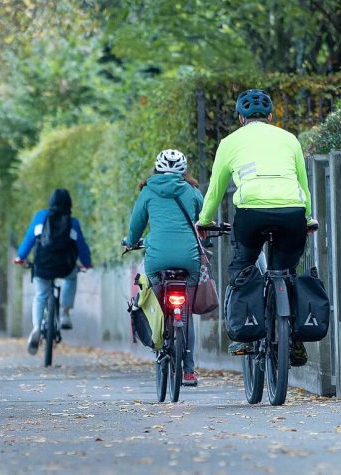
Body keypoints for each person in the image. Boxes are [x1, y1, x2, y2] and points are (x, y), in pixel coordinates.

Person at [196, 89, 316, 360]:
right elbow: (303, 185)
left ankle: (243, 337)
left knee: (242, 268)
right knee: (288, 272)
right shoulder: (289, 139)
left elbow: (215, 189)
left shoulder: (229, 142)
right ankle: (295, 340)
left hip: (251, 214)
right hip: (292, 211)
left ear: (240, 118)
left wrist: (205, 221)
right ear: (271, 116)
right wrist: (307, 218)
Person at [123, 149, 204, 387]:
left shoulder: (148, 191)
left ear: (156, 169)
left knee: (155, 305)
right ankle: (189, 371)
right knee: (186, 313)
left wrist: (130, 243)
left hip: (157, 259)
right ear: (183, 171)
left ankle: (159, 344)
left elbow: (136, 225)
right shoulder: (192, 192)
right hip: (189, 259)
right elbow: (203, 220)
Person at [14, 188, 93, 355]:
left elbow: (29, 240)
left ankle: (36, 327)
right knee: (71, 277)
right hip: (65, 266)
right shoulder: (73, 222)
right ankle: (64, 312)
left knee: (41, 295)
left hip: (42, 266)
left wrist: (21, 257)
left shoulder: (40, 217)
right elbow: (82, 247)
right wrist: (86, 263)